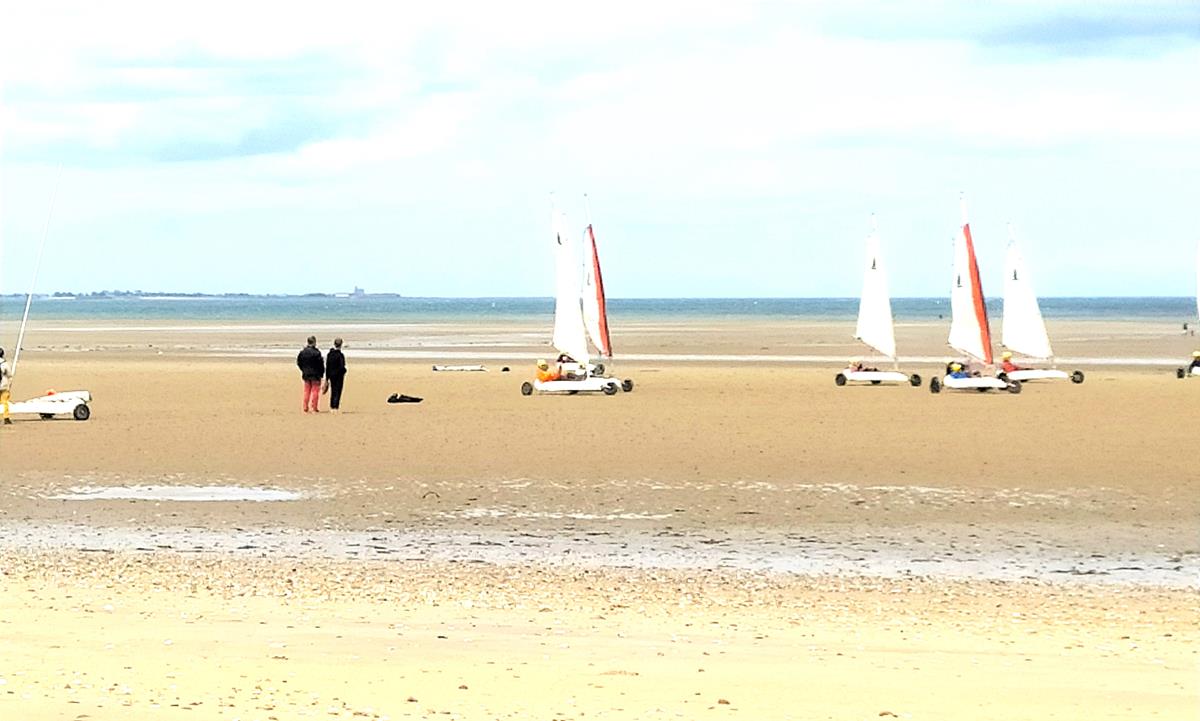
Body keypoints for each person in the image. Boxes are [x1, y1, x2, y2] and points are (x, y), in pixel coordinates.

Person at [296, 336, 324, 413]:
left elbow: (299, 362)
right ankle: (314, 407)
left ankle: (305, 406)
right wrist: (321, 373)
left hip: (306, 373)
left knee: (306, 391)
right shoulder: (317, 353)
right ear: (314, 342)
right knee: (315, 391)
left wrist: (303, 369)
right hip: (315, 374)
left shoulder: (302, 352)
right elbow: (320, 364)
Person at [324, 338, 347, 414]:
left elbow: (327, 366)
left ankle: (332, 406)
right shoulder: (340, 355)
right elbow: (342, 366)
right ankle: (335, 407)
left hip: (331, 375)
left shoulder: (329, 354)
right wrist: (344, 371)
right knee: (338, 391)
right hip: (339, 376)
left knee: (333, 391)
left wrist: (327, 378)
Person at [0, 347, 12, 425]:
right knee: (4, 402)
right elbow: (9, 374)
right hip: (3, 385)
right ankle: (6, 417)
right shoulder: (4, 363)